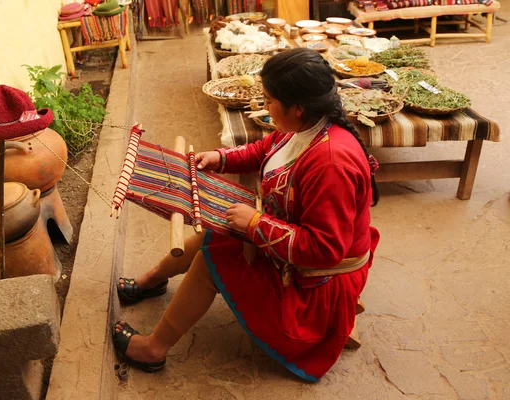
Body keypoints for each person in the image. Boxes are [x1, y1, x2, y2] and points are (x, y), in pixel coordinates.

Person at [112, 48, 381, 381]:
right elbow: (266, 148)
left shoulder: (330, 163)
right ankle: (151, 282)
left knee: (213, 261)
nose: (264, 108)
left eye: (269, 101)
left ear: (297, 107)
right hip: (299, 254)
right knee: (217, 228)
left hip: (317, 288)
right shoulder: (306, 126)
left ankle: (153, 348)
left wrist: (256, 224)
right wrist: (221, 159)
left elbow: (325, 250)